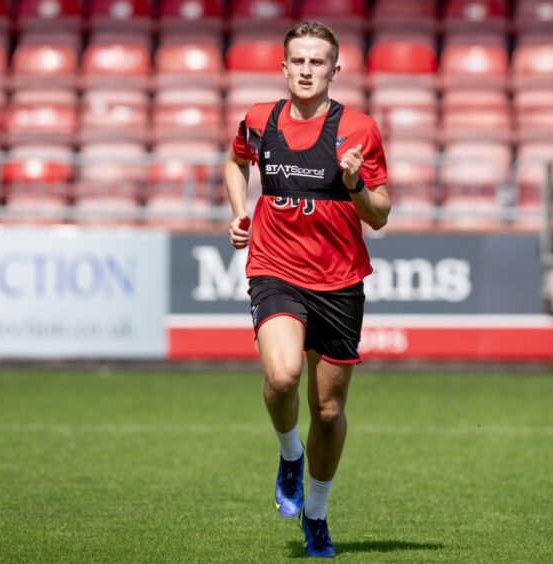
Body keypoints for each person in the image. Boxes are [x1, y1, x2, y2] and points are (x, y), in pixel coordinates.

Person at [224, 20, 391, 558]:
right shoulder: (258, 120)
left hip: (340, 281)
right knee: (282, 374)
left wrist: (355, 184)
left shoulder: (360, 129)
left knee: (327, 410)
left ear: (334, 70)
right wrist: (238, 210)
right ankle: (288, 454)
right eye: (298, 60)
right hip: (274, 268)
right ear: (283, 66)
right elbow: (234, 162)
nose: (306, 70)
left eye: (318, 61)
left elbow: (381, 217)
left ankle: (316, 514)